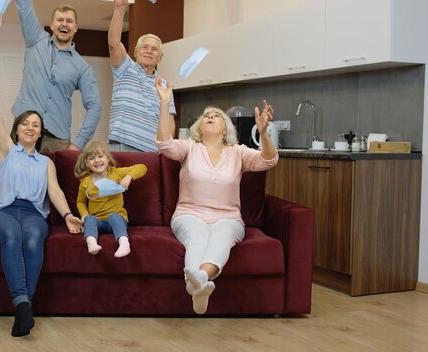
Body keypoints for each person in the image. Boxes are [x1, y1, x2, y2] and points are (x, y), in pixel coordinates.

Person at [0, 48, 83, 337]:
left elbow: (54, 191)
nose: (30, 128)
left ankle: (22, 310)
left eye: (36, 125)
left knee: (32, 238)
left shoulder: (46, 162)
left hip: (32, 214)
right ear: (17, 130)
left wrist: (68, 215)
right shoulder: (6, 150)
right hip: (1, 212)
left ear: (40, 134)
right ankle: (23, 304)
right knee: (12, 236)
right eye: (25, 124)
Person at [154, 77, 278, 314]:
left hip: (228, 217)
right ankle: (200, 283)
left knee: (222, 237)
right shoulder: (190, 147)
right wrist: (164, 102)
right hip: (189, 213)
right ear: (199, 127)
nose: (210, 116)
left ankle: (197, 282)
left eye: (216, 115)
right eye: (206, 116)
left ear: (226, 128)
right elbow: (164, 143)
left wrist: (264, 133)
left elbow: (269, 160)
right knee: (197, 237)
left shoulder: (238, 153)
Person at [13, 0, 102, 152]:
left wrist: (78, 144)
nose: (64, 24)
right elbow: (24, 6)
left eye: (69, 21)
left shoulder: (82, 67)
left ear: (75, 28)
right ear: (52, 24)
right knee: (18, 175)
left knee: (55, 177)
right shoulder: (36, 40)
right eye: (60, 20)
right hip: (25, 132)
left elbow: (95, 106)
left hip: (57, 141)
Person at [106, 0, 177, 152]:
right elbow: (114, 43)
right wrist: (120, 8)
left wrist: (166, 151)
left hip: (151, 151)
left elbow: (170, 123)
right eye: (144, 47)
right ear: (135, 52)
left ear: (160, 57)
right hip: (121, 145)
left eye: (154, 49)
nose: (149, 51)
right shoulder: (125, 68)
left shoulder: (164, 86)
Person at [74, 140, 147, 257]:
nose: (97, 160)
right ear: (87, 163)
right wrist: (84, 214)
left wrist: (129, 177)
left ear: (108, 159)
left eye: (100, 156)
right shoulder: (85, 183)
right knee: (89, 219)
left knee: (114, 216)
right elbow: (80, 201)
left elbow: (142, 167)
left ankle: (124, 244)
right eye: (92, 158)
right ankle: (91, 243)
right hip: (98, 222)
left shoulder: (116, 173)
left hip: (117, 220)